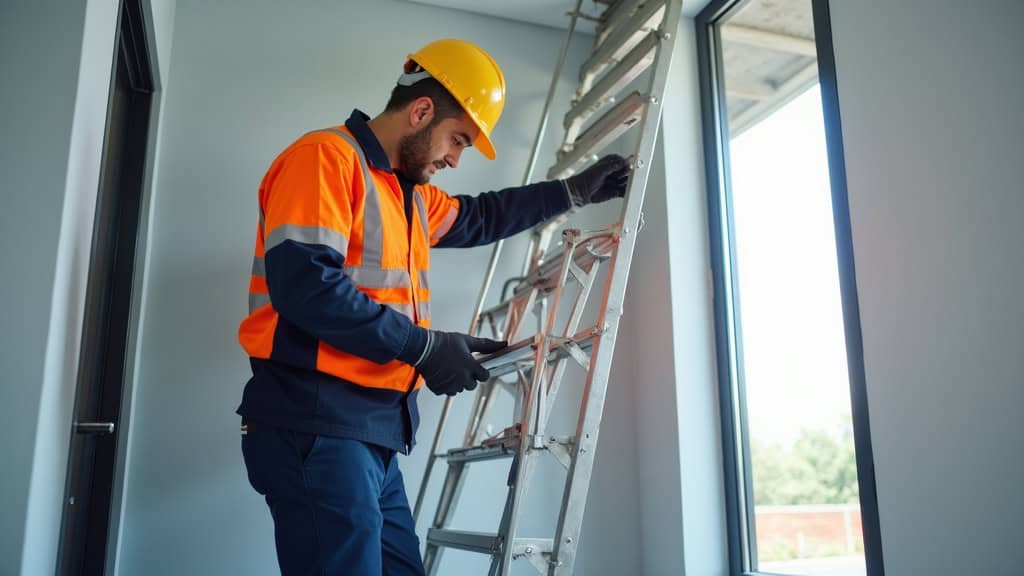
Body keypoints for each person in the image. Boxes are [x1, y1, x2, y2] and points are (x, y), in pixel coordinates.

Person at [236, 38, 632, 575]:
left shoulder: (409, 195)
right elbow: (305, 285)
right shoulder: (326, 159)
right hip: (317, 422)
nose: (454, 158)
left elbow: (479, 218)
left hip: (370, 432)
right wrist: (423, 348)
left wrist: (571, 193)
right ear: (421, 111)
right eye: (458, 139)